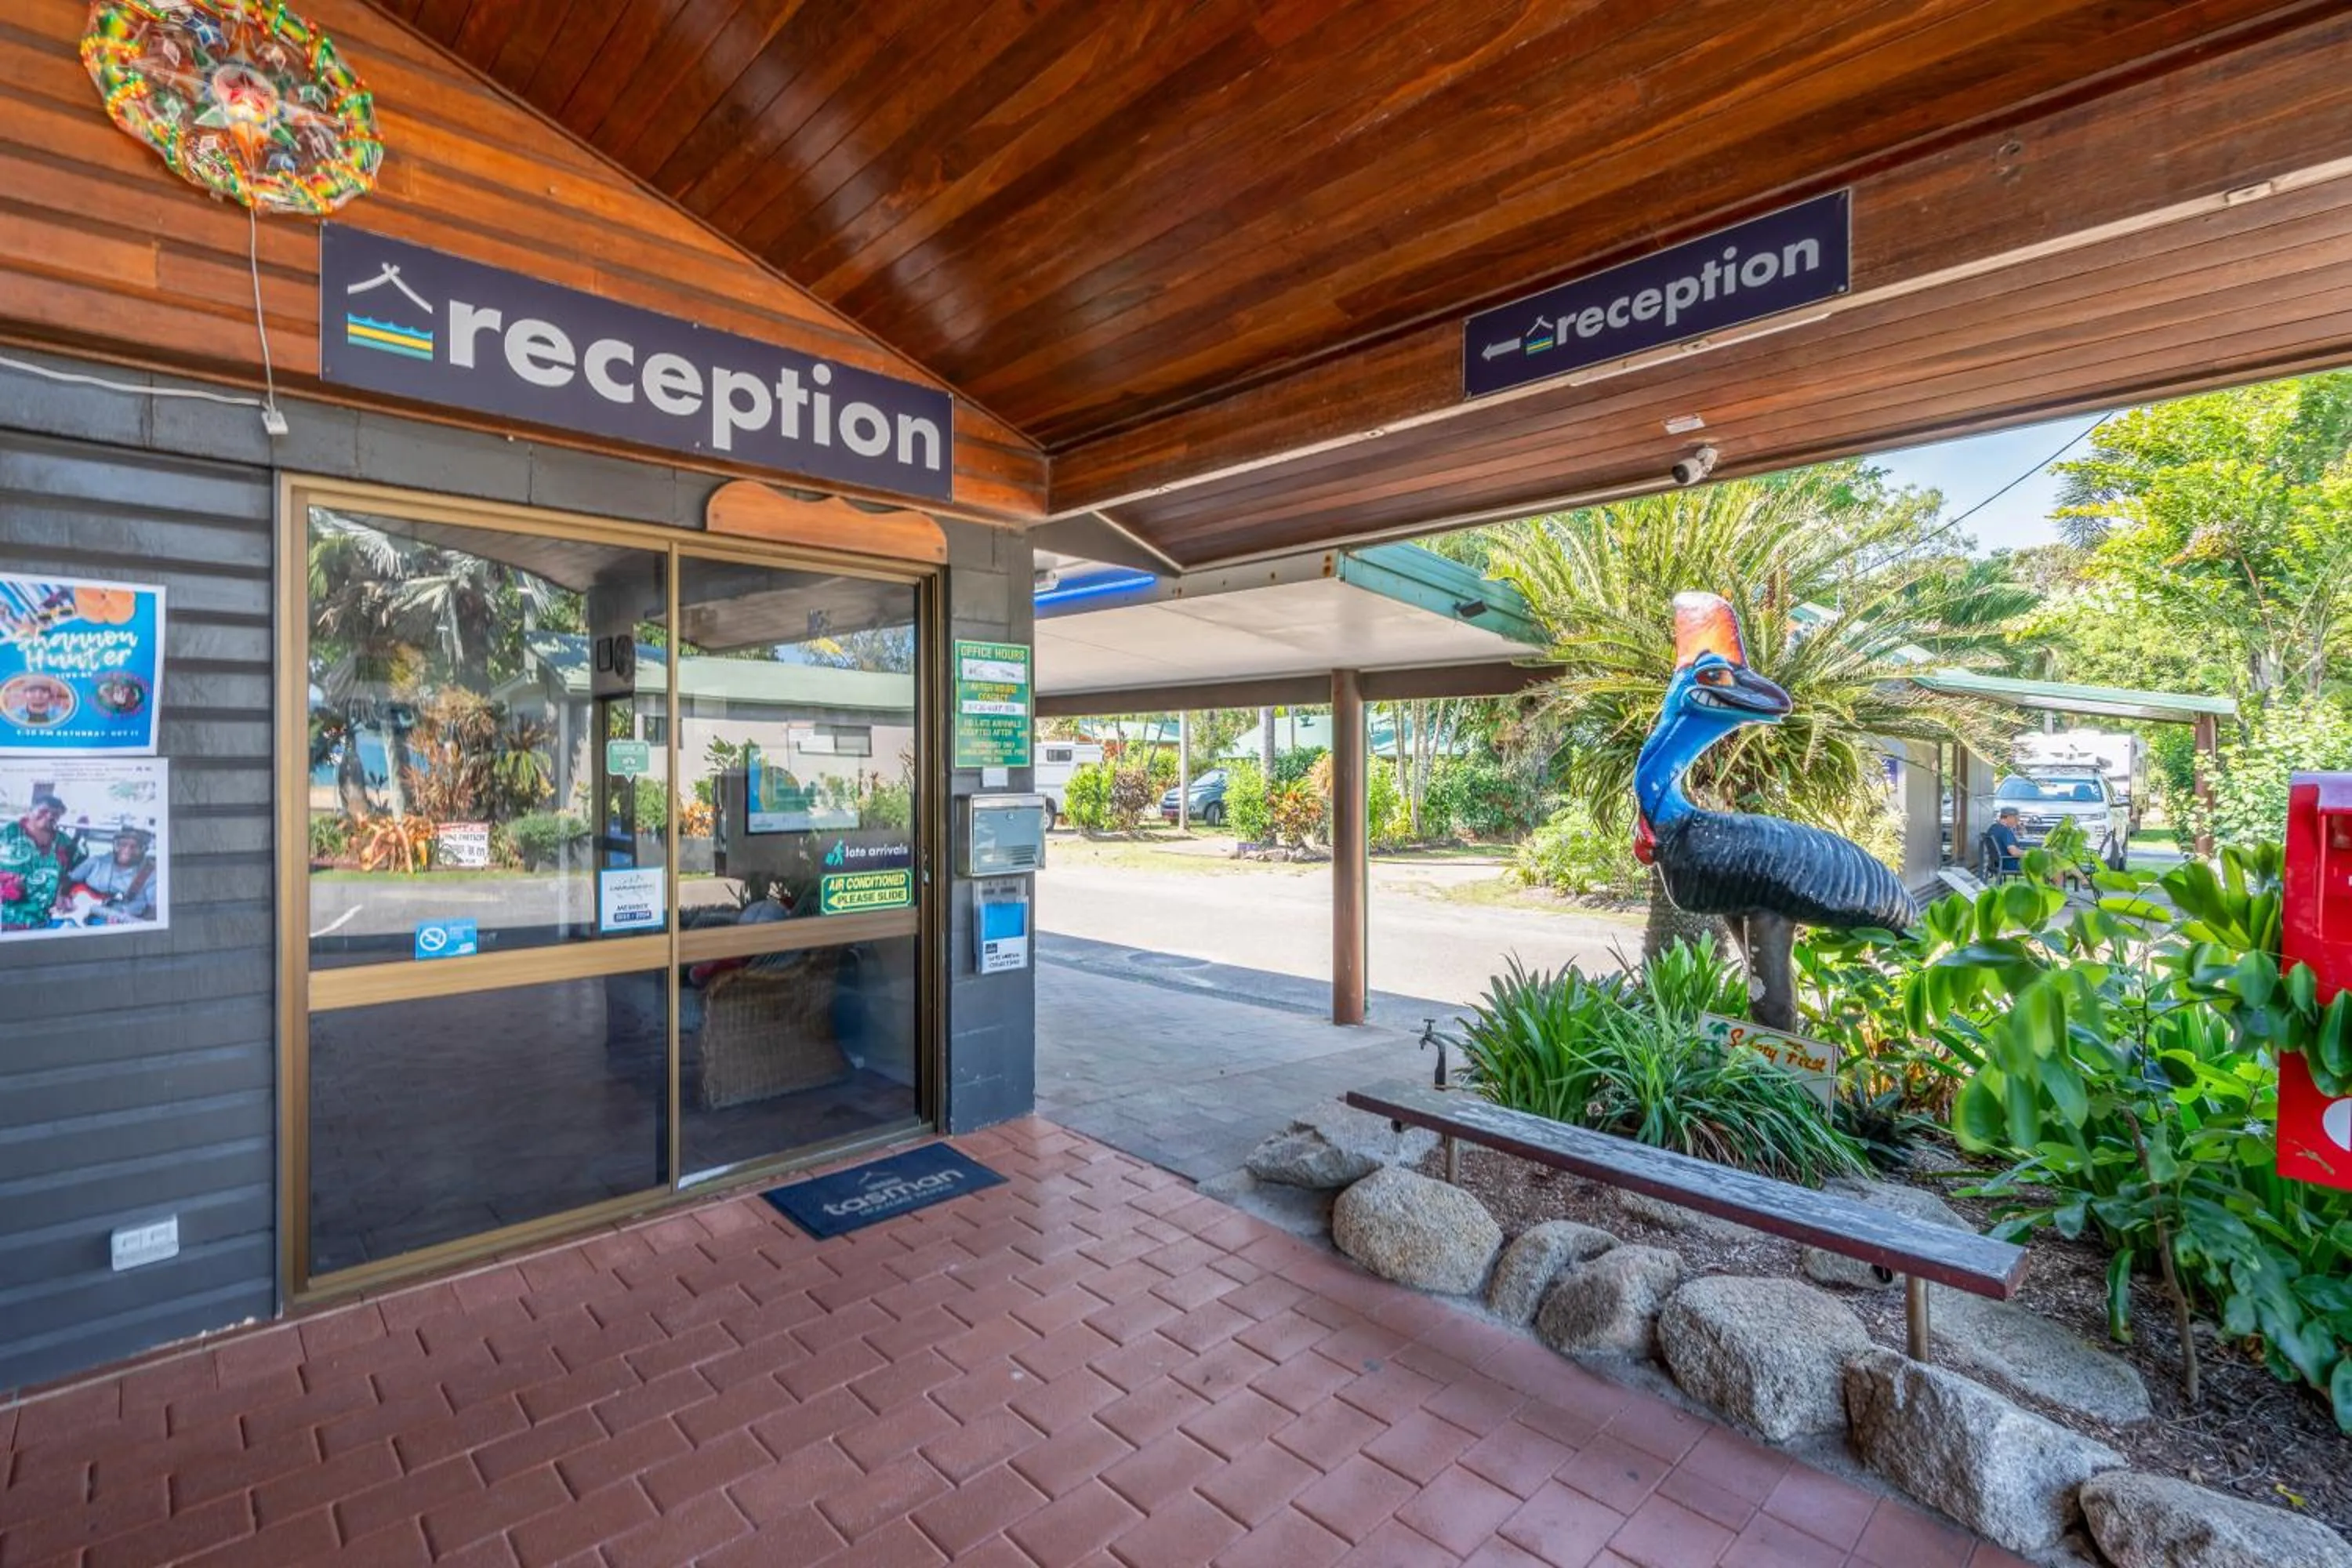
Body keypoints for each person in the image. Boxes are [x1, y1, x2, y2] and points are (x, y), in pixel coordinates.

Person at [0, 793, 78, 930]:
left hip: (41, 920)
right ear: (30, 811)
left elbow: (71, 873)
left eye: (55, 814)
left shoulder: (64, 841)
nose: (49, 816)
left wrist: (63, 894)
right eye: (43, 811)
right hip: (5, 917)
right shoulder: (8, 832)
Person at [64, 827, 156, 924]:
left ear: (144, 850)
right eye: (122, 844)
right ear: (115, 845)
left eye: (135, 846)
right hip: (75, 915)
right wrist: (62, 896)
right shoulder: (97, 862)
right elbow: (69, 880)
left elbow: (154, 911)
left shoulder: (150, 874)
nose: (127, 850)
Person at [1985, 806, 2024, 876]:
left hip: (1996, 864)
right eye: (2016, 818)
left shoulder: (1993, 828)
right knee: (2043, 865)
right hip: (2009, 864)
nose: (2017, 821)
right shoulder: (2005, 831)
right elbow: (2014, 853)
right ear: (2009, 817)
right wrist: (2029, 854)